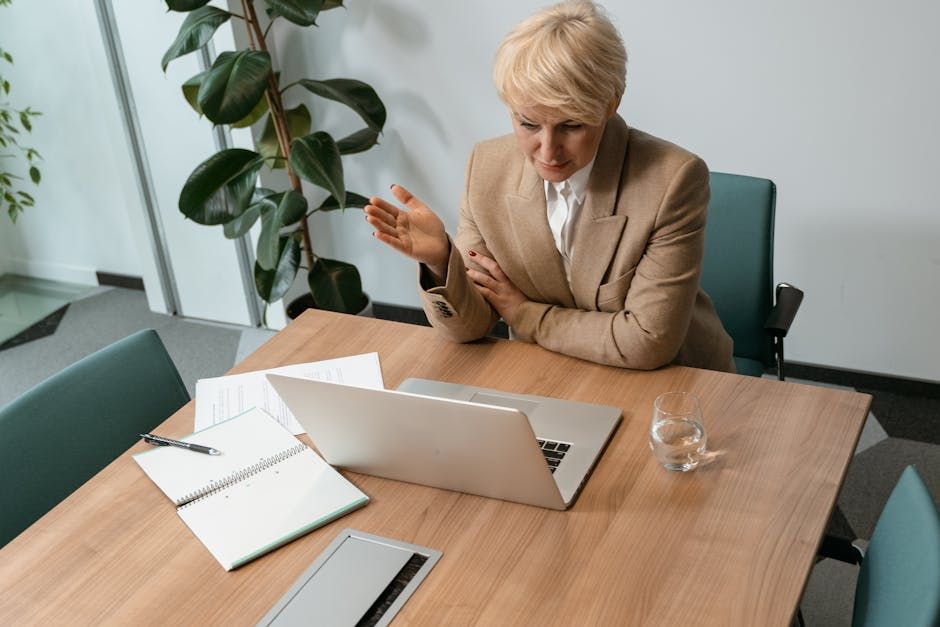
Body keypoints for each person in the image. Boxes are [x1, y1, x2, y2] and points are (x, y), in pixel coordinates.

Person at [365, 0, 734, 372]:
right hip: (550, 369)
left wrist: (524, 314)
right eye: (527, 124)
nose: (547, 150)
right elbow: (471, 325)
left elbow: (646, 341)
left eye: (571, 126)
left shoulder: (673, 179)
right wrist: (442, 262)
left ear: (610, 104)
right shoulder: (486, 168)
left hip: (674, 383)